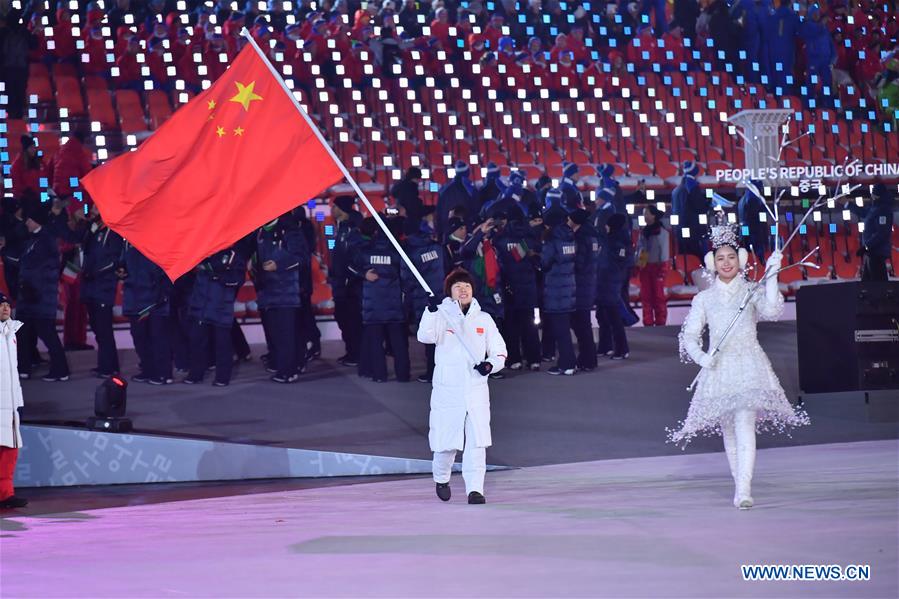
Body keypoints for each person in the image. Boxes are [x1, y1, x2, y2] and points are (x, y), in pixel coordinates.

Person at [669, 224, 809, 509]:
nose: (726, 263)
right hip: (719, 369)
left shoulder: (750, 291)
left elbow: (771, 311)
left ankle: (743, 489)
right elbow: (690, 336)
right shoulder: (704, 298)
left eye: (731, 256)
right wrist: (702, 357)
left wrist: (772, 275)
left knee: (745, 422)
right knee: (729, 429)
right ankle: (738, 483)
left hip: (749, 363)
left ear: (740, 259)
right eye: (720, 258)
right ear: (713, 264)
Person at [418, 269, 507, 505]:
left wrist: (490, 365)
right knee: (447, 443)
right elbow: (424, 337)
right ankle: (441, 478)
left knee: (477, 442)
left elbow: (500, 351)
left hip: (476, 390)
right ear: (450, 292)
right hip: (448, 390)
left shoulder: (484, 319)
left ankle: (475, 489)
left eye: (466, 285)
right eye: (458, 286)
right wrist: (429, 311)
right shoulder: (441, 315)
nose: (463, 289)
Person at [16, 203, 70, 382]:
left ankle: (61, 370)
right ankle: (23, 368)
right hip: (29, 296)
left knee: (47, 333)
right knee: (22, 332)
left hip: (40, 296)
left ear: (36, 221)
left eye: (29, 220)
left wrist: (33, 287)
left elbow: (45, 269)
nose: (26, 223)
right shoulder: (32, 240)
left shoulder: (46, 240)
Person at [353, 217, 410, 383]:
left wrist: (363, 274)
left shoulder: (364, 250)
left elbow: (350, 267)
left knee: (376, 343)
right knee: (399, 343)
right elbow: (406, 275)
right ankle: (403, 375)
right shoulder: (398, 250)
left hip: (373, 304)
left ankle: (379, 375)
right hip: (394, 303)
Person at [185, 245, 246, 386]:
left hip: (221, 306)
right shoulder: (201, 251)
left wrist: (217, 274)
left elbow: (238, 279)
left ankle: (222, 377)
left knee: (222, 344)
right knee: (196, 341)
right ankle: (195, 374)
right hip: (200, 304)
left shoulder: (234, 254)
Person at [254, 214, 304, 383]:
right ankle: (282, 366)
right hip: (267, 291)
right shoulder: (260, 231)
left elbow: (301, 257)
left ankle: (289, 371)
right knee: (276, 334)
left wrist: (279, 264)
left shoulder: (290, 229)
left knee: (286, 334)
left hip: (286, 291)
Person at [402, 212, 446, 383]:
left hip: (423, 300)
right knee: (443, 337)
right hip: (442, 296)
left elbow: (407, 280)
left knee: (431, 339)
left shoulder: (409, 253)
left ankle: (432, 372)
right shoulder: (437, 247)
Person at [81, 205, 124, 377]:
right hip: (90, 287)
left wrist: (95, 272)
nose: (92, 210)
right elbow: (84, 247)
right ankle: (108, 364)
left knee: (104, 329)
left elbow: (114, 260)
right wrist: (88, 228)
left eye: (95, 207)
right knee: (97, 328)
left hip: (103, 286)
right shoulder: (94, 230)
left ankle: (108, 368)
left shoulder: (113, 232)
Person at [120, 242, 172, 385]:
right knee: (139, 336)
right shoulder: (128, 244)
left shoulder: (157, 243)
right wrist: (120, 270)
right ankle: (148, 369)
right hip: (135, 299)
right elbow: (121, 264)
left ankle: (163, 373)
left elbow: (168, 270)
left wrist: (164, 293)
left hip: (155, 300)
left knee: (158, 337)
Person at [541, 206, 577, 375]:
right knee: (565, 329)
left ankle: (566, 364)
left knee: (560, 331)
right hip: (568, 288)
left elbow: (545, 262)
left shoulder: (552, 240)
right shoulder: (570, 237)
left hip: (556, 290)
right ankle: (569, 362)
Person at [0, 293, 27, 509]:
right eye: (1, 305)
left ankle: (6, 494)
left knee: (10, 450)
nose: (6, 308)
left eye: (8, 304)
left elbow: (13, 370)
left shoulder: (12, 333)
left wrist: (17, 400)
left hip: (10, 404)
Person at [329, 196, 363, 366]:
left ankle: (356, 354)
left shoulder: (353, 231)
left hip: (350, 286)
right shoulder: (340, 229)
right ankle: (351, 352)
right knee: (343, 318)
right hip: (341, 284)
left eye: (334, 206)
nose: (331, 210)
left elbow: (353, 258)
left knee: (351, 320)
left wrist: (349, 277)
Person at [596, 213, 631, 359]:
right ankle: (606, 346)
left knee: (613, 318)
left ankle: (622, 349)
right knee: (602, 316)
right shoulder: (612, 240)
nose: (605, 226)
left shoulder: (615, 243)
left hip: (610, 284)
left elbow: (613, 265)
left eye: (608, 224)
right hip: (607, 283)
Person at [569, 208, 599, 371]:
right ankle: (590, 359)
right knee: (584, 325)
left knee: (581, 325)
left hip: (580, 286)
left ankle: (586, 360)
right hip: (588, 284)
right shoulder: (593, 236)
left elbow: (579, 264)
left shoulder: (580, 238)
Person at [848, 183, 895, 282]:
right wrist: (847, 204)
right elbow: (863, 212)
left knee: (878, 284)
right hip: (871, 253)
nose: (871, 196)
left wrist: (866, 246)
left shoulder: (883, 210)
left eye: (873, 193)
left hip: (877, 253)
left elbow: (882, 233)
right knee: (868, 284)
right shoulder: (875, 207)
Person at [636, 205, 670, 326]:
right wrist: (640, 265)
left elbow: (665, 252)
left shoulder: (662, 232)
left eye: (647, 213)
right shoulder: (644, 232)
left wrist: (663, 270)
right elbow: (641, 250)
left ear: (654, 216)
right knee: (646, 297)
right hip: (646, 267)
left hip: (657, 267)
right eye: (644, 214)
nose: (645, 216)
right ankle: (648, 322)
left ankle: (661, 322)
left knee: (658, 297)